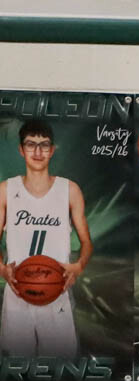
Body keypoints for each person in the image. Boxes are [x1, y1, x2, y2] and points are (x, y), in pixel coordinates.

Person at [1, 120, 91, 358]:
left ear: (52, 150)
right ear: (21, 150)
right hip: (17, 291)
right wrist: (2, 269)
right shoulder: (5, 190)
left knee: (59, 369)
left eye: (44, 145)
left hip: (56, 291)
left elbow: (86, 242)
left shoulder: (70, 190)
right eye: (31, 144)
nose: (38, 151)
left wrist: (79, 266)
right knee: (17, 369)